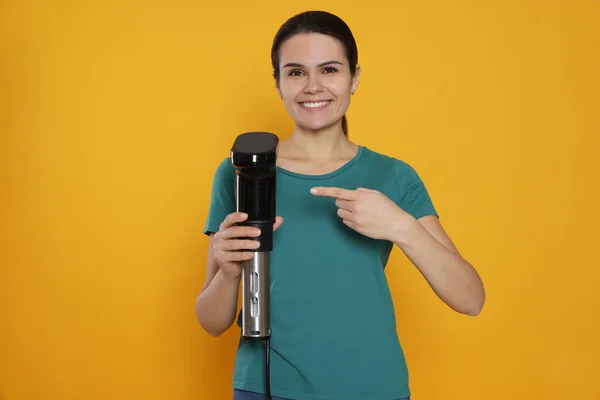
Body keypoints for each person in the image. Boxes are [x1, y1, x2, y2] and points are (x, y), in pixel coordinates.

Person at [195, 10, 485, 400]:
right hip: (266, 388)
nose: (313, 86)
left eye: (329, 70)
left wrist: (400, 226)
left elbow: (470, 299)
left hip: (373, 388)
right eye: (296, 72)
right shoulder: (242, 173)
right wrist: (228, 273)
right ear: (278, 83)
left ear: (355, 78)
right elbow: (211, 322)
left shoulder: (394, 176)